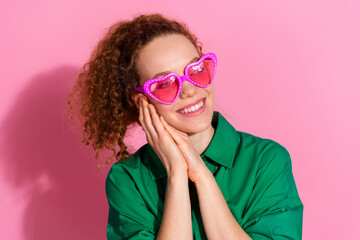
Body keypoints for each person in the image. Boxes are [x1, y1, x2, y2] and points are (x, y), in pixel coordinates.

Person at [68, 14, 303, 240]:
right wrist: (176, 173)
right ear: (140, 101)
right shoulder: (128, 180)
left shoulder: (267, 161)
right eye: (165, 83)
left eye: (196, 70)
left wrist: (200, 175)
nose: (190, 90)